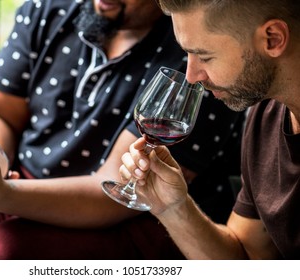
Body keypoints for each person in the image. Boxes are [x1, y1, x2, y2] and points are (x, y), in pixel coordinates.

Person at [0, 0, 244, 259]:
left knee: (4, 253)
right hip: (18, 181)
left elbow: (118, 190)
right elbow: (1, 112)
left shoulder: (196, 55)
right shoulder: (48, 9)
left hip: (128, 217)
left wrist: (1, 195)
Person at [119, 0, 300, 259]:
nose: (191, 76)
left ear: (272, 39)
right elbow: (247, 257)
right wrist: (172, 207)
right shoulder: (265, 115)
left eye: (204, 56)